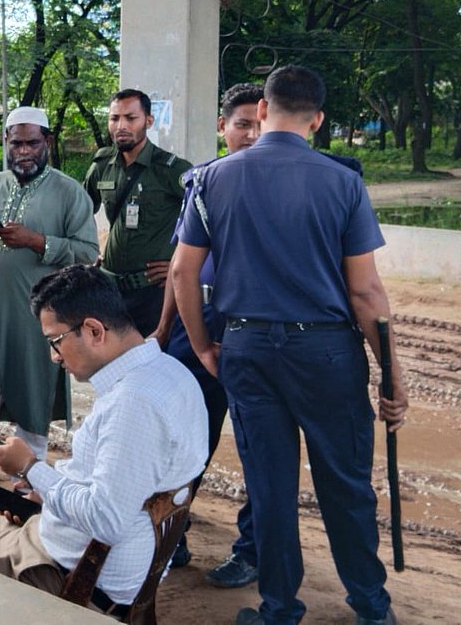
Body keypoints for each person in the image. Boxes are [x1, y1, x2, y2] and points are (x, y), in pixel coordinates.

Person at [171, 64, 408, 625]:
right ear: (318, 120)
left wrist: (204, 347)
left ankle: (279, 609)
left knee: (270, 487)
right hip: (327, 354)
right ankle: (372, 608)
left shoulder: (211, 178)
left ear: (261, 110)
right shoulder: (342, 182)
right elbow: (366, 292)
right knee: (345, 484)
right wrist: (392, 374)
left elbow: (182, 272)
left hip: (246, 349)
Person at [0, 265, 207, 614]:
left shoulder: (132, 404)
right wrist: (47, 491)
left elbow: (107, 521)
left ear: (94, 330)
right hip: (79, 541)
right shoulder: (169, 372)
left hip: (76, 572)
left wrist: (31, 468)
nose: (54, 356)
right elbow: (123, 480)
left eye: (55, 341)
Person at [0, 106, 99, 505]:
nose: (23, 151)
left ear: (47, 141)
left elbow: (87, 253)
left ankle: (28, 491)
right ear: (6, 143)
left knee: (32, 408)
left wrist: (37, 241)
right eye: (16, 144)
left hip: (39, 326)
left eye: (32, 143)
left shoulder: (70, 193)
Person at [154, 83, 262, 579]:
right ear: (223, 127)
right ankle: (169, 534)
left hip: (255, 331)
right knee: (183, 440)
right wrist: (164, 328)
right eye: (242, 124)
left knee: (260, 445)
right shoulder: (204, 182)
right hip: (196, 325)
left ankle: (251, 550)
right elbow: (181, 268)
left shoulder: (283, 186)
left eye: (260, 125)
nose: (251, 134)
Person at [83, 89, 192, 336]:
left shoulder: (171, 169)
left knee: (152, 357)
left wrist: (181, 264)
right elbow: (79, 212)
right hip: (110, 290)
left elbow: (209, 220)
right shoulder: (102, 166)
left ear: (148, 121)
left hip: (153, 293)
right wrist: (86, 251)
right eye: (114, 118)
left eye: (131, 118)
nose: (121, 126)